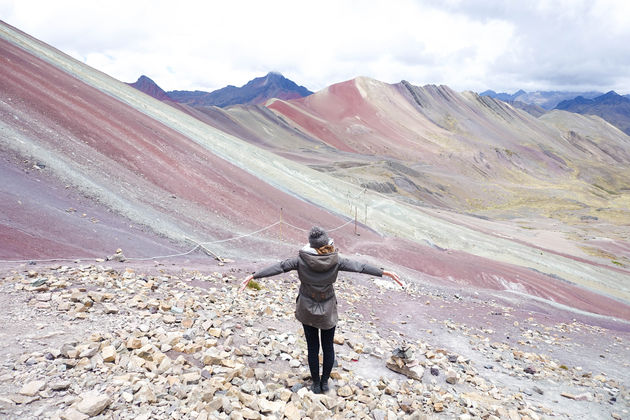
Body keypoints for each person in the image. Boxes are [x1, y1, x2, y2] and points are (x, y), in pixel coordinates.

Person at [239, 226, 402, 394]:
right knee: (328, 347)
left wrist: (254, 275)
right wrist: (383, 273)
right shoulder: (336, 260)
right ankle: (325, 383)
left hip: (306, 309)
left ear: (311, 245)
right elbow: (360, 267)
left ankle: (315, 384)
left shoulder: (300, 260)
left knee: (312, 347)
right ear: (326, 243)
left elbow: (280, 267)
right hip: (328, 310)